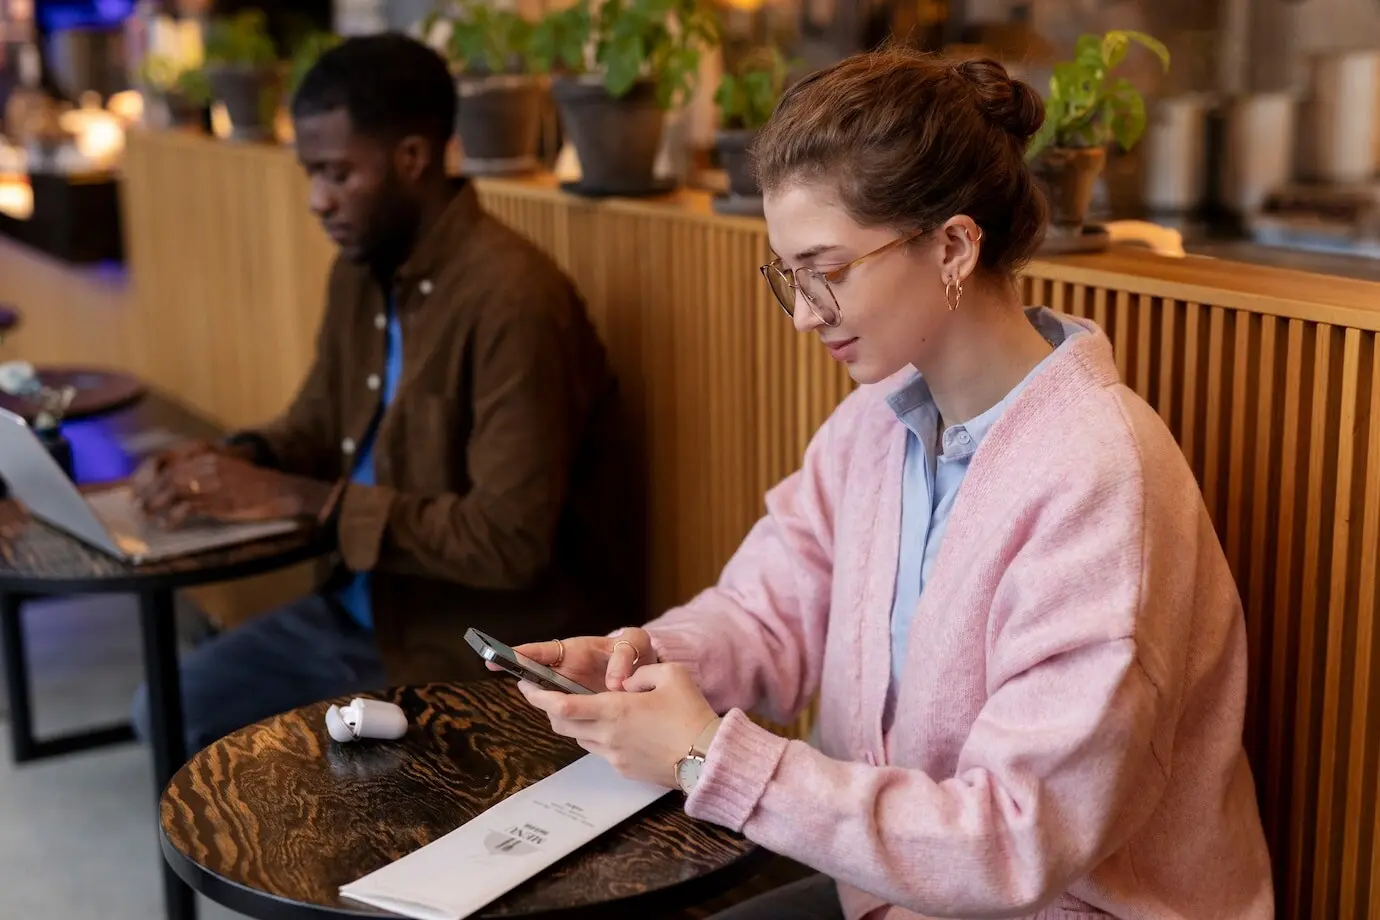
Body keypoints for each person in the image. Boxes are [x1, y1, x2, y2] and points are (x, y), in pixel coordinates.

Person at [505, 49, 1274, 920]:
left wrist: (701, 759)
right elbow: (766, 616)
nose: (803, 315)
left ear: (952, 246)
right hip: (889, 897)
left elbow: (1017, 839)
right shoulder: (877, 424)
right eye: (787, 278)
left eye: (826, 273)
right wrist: (642, 660)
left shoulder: (1099, 477)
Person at [130, 32, 626, 753]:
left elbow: (509, 543)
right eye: (311, 174)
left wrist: (311, 502)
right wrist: (229, 464)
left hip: (459, 651)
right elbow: (318, 420)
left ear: (412, 159)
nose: (316, 201)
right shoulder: (361, 271)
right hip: (356, 614)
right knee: (169, 710)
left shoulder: (514, 301)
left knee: (238, 751)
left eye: (335, 173)